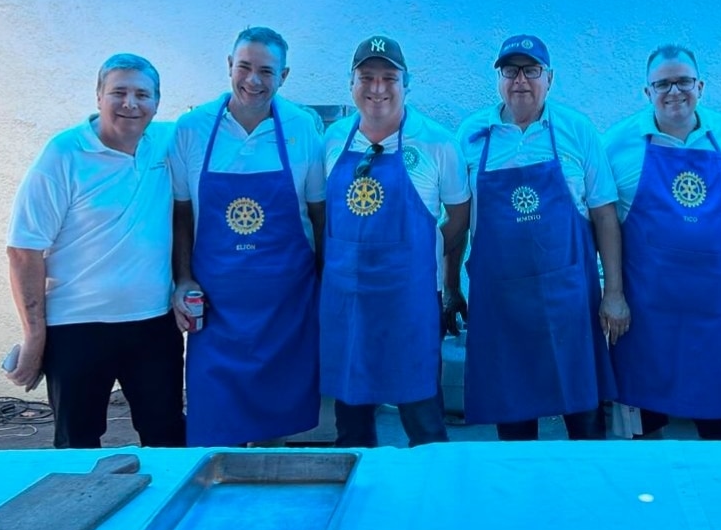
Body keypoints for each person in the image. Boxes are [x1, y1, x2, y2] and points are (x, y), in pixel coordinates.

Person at [446, 34, 629, 441]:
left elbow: (604, 215)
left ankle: (587, 495)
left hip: (568, 298)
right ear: (499, 79)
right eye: (510, 71)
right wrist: (449, 284)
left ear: (550, 78)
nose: (520, 81)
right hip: (500, 304)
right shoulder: (473, 134)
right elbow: (457, 220)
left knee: (583, 416)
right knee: (513, 419)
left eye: (531, 71)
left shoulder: (576, 130)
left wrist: (613, 291)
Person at [6, 53, 185, 449]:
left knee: (167, 435)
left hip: (153, 324)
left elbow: (225, 118)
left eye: (143, 94)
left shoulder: (167, 142)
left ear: (157, 101)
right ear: (98, 96)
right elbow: (23, 250)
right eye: (118, 92)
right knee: (77, 444)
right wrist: (34, 337)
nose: (130, 104)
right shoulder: (63, 155)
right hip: (77, 328)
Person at [170, 26, 324, 446]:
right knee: (214, 429)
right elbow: (182, 214)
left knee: (274, 429)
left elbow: (319, 214)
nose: (253, 81)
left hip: (284, 309)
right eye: (244, 67)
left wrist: (325, 285)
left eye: (266, 71)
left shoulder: (302, 128)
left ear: (284, 76)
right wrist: (183, 279)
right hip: (216, 313)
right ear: (229, 66)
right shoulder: (192, 128)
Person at [322, 35, 470, 447]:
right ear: (351, 82)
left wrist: (419, 253)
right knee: (350, 423)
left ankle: (431, 499)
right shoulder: (333, 140)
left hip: (409, 302)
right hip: (348, 302)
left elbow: (459, 217)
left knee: (422, 417)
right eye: (366, 76)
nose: (377, 87)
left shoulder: (438, 143)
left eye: (389, 77)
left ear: (408, 83)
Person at [604, 45, 721, 440]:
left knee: (719, 429)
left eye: (683, 81)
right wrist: (612, 293)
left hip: (715, 312)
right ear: (646, 92)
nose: (674, 92)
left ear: (700, 86)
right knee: (645, 428)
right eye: (662, 83)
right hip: (647, 310)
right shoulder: (618, 143)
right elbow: (603, 224)